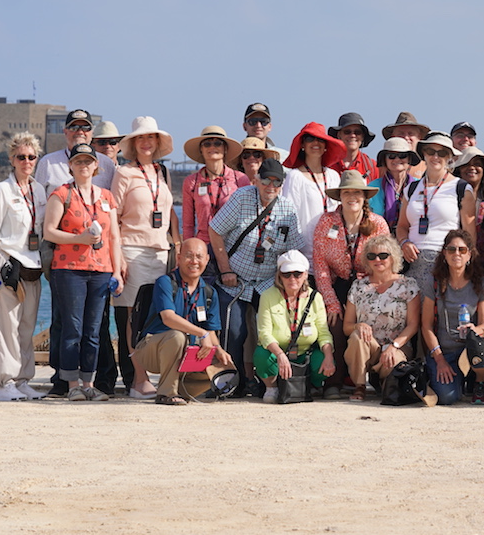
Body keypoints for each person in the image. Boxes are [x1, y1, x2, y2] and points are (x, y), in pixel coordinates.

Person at [34, 109, 117, 397]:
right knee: (69, 325)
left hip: (101, 266)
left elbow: (114, 235)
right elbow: (46, 224)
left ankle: (90, 384)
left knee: (94, 329)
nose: (84, 165)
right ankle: (67, 384)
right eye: (78, 161)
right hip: (66, 264)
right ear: (70, 166)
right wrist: (79, 238)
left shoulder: (107, 191)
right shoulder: (56, 181)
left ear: (96, 166)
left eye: (88, 161)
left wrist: (117, 269)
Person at [209, 159, 303, 395]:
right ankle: (232, 383)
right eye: (266, 180)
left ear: (282, 185)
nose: (270, 185)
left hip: (267, 282)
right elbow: (215, 230)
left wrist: (290, 284)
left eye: (276, 181)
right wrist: (225, 270)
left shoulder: (288, 209)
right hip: (235, 280)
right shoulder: (242, 198)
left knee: (272, 333)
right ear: (256, 180)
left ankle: (267, 383)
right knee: (234, 332)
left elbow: (292, 252)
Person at [112, 117, 181, 399]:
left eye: (150, 137)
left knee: (159, 316)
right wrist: (119, 259)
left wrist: (176, 243)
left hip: (161, 253)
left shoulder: (162, 173)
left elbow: (169, 211)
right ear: (133, 143)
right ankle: (138, 380)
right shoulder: (124, 173)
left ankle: (159, 376)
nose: (145, 142)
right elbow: (112, 217)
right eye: (140, 138)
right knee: (133, 317)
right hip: (132, 249)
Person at [0, 132, 48, 401]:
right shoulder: (2, 190)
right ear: (12, 159)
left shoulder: (39, 190)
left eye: (31, 157)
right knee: (6, 328)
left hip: (32, 268)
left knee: (26, 327)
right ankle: (4, 383)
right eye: (21, 157)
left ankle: (22, 380)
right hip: (7, 267)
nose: (27, 161)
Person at [312, 171, 389, 398]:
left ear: (365, 197)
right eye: (347, 192)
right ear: (340, 196)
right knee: (334, 324)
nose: (352, 197)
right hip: (337, 284)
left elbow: (385, 261)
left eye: (357, 192)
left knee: (368, 328)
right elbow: (320, 265)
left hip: (369, 286)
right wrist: (331, 301)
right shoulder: (327, 221)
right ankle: (333, 382)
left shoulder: (377, 223)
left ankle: (373, 377)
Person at [130, 238, 233, 405]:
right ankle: (166, 393)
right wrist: (201, 333)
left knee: (222, 362)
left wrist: (220, 350)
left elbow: (211, 330)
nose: (194, 261)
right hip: (151, 350)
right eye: (189, 256)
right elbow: (168, 318)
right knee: (176, 336)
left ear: (207, 260)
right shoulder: (165, 282)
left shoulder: (209, 292)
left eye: (199, 256)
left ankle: (181, 391)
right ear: (178, 258)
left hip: (187, 353)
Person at [343, 235, 420, 401]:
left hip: (396, 346)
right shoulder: (358, 286)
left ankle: (385, 382)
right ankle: (360, 386)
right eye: (372, 256)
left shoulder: (408, 285)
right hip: (369, 347)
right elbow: (347, 326)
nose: (377, 260)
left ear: (393, 257)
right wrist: (358, 326)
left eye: (383, 255)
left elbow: (413, 325)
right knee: (357, 337)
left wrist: (394, 346)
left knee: (395, 363)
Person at [420, 230, 484, 405]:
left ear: (470, 255)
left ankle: (479, 382)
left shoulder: (480, 283)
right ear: (444, 253)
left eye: (462, 250)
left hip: (469, 350)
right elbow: (426, 326)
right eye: (451, 249)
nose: (457, 254)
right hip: (443, 351)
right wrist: (439, 359)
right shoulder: (434, 282)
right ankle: (453, 379)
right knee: (447, 398)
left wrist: (475, 330)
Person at [255, 251, 335, 403]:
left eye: (297, 274)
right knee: (261, 354)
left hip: (304, 353)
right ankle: (272, 387)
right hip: (279, 352)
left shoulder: (315, 297)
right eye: (287, 274)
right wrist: (280, 355)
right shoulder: (267, 296)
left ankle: (312, 385)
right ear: (280, 276)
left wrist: (330, 356)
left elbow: (324, 333)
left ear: (305, 275)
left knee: (324, 356)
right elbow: (264, 334)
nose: (292, 279)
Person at [396, 132, 476, 285]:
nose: (435, 156)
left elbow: (469, 235)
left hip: (446, 262)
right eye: (431, 151)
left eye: (442, 152)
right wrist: (404, 242)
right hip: (412, 262)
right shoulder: (411, 188)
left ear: (449, 157)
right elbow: (402, 226)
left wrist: (466, 266)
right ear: (424, 154)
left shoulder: (461, 188)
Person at [281, 122, 345, 265]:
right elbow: (289, 216)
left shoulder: (334, 176)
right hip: (306, 254)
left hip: (333, 251)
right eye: (310, 139)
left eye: (320, 139)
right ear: (302, 145)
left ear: (326, 146)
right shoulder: (295, 176)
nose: (315, 143)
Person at [181, 126, 250, 245]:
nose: (212, 147)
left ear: (225, 149)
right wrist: (187, 248)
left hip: (232, 245)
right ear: (201, 150)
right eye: (207, 144)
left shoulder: (240, 179)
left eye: (218, 143)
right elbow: (188, 225)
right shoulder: (191, 182)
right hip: (204, 246)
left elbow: (247, 220)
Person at [452, 146, 484, 258]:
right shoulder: (450, 199)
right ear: (458, 170)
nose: (471, 167)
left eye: (477, 164)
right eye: (466, 164)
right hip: (456, 257)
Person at [368, 137, 419, 232]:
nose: (397, 159)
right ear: (385, 160)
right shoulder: (372, 187)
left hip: (412, 239)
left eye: (402, 155)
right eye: (391, 155)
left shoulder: (419, 186)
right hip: (380, 240)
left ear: (409, 159)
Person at [328, 112, 379, 181]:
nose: (352, 135)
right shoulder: (327, 163)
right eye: (347, 132)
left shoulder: (372, 167)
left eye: (357, 132)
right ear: (339, 135)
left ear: (363, 137)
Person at [381, 111, 430, 179]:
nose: (406, 137)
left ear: (419, 137)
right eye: (401, 134)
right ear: (393, 137)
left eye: (410, 134)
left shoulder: (428, 165)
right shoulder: (382, 166)